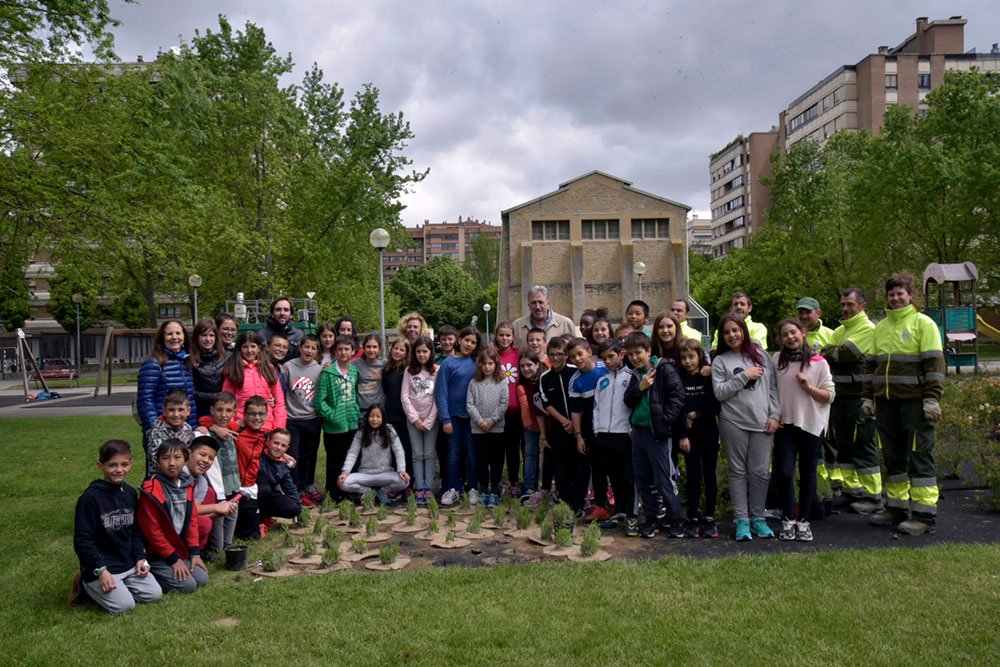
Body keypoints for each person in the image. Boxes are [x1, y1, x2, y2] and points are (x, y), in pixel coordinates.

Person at [865, 273, 945, 535]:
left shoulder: (924, 324)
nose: (896, 298)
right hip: (886, 403)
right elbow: (871, 367)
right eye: (891, 294)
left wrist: (931, 399)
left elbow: (934, 366)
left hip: (915, 404)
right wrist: (868, 397)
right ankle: (896, 508)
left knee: (920, 456)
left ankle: (924, 516)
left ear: (910, 295)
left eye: (900, 293)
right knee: (893, 456)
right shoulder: (880, 327)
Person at [72, 440, 162, 614]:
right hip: (102, 566)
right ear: (100, 466)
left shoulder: (130, 493)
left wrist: (140, 557)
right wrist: (100, 570)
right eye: (112, 465)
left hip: (127, 563)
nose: (119, 470)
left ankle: (121, 585)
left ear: (131, 463)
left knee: (154, 594)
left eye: (124, 464)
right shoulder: (90, 499)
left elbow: (135, 531)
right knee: (124, 606)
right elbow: (83, 540)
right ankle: (84, 582)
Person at [712, 313, 780, 541]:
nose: (732, 335)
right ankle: (742, 520)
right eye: (726, 332)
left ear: (743, 330)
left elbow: (772, 388)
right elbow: (720, 393)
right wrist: (744, 377)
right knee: (738, 472)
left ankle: (758, 518)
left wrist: (775, 415)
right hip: (733, 422)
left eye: (735, 330)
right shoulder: (720, 361)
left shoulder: (761, 355)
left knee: (760, 473)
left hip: (762, 422)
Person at [821, 288, 882, 514]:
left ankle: (873, 496)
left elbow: (844, 354)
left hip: (859, 397)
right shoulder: (840, 330)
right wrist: (832, 351)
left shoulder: (868, 328)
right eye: (843, 305)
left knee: (863, 444)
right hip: (840, 397)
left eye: (850, 304)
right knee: (843, 445)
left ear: (863, 306)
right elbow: (827, 355)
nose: (845, 309)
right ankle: (852, 491)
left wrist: (832, 351)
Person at [773, 319, 835, 542]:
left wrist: (808, 387)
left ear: (803, 332)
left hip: (811, 425)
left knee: (808, 473)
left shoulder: (819, 362)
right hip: (785, 425)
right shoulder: (777, 360)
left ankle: (804, 522)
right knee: (785, 472)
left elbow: (829, 396)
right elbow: (771, 390)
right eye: (785, 335)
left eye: (793, 332)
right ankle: (788, 519)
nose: (790, 337)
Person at [623, 331, 686, 538]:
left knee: (664, 479)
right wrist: (640, 387)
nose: (634, 357)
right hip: (638, 433)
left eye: (638, 353)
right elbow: (628, 400)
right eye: (630, 354)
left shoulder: (663, 368)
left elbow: (678, 395)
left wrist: (664, 421)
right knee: (643, 479)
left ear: (648, 351)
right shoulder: (635, 374)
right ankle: (651, 519)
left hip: (658, 433)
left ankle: (676, 519)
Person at [138, 439, 209, 594]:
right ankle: (153, 574)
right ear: (157, 461)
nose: (171, 463)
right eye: (165, 458)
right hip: (157, 554)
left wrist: (195, 554)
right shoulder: (151, 490)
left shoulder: (187, 485)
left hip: (179, 550)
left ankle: (178, 564)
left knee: (202, 578)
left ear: (186, 460)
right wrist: (173, 560)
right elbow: (152, 532)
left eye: (177, 458)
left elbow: (191, 522)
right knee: (188, 585)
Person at [676, 338, 721, 538]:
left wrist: (695, 414)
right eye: (683, 357)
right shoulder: (679, 379)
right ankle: (693, 516)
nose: (688, 361)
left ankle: (710, 517)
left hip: (709, 432)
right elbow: (678, 407)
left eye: (691, 357)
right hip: (689, 435)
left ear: (700, 356)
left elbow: (715, 403)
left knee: (710, 475)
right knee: (693, 476)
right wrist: (683, 434)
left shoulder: (707, 377)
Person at [592, 339, 638, 536]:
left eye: (611, 356)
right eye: (604, 358)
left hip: (624, 435)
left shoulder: (632, 377)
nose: (608, 361)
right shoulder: (602, 380)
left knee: (628, 477)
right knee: (614, 476)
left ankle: (632, 515)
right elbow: (596, 407)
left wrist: (631, 428)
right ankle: (620, 512)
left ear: (621, 354)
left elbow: (635, 404)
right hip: (604, 435)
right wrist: (597, 430)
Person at [435, 327, 481, 505]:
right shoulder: (448, 363)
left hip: (473, 417)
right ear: (459, 340)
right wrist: (445, 418)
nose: (469, 344)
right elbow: (441, 392)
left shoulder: (477, 363)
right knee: (453, 453)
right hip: (453, 417)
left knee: (472, 453)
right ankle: (453, 488)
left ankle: (473, 488)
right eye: (467, 340)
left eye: (473, 342)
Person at [315, 334, 361, 503]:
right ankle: (334, 493)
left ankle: (350, 490)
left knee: (350, 458)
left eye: (347, 349)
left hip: (351, 423)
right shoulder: (328, 372)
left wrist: (355, 412)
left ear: (353, 351)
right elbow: (320, 401)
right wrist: (332, 416)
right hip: (333, 426)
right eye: (340, 349)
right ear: (335, 351)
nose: (343, 352)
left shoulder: (354, 371)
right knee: (335, 460)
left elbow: (354, 394)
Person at [567, 337, 609, 520]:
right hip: (591, 430)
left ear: (589, 352)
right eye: (573, 357)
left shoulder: (605, 368)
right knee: (597, 468)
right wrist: (578, 436)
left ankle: (621, 507)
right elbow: (576, 411)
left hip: (614, 427)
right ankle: (600, 506)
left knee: (616, 467)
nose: (577, 359)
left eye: (580, 354)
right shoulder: (575, 381)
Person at [197, 392, 242, 551]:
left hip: (233, 486)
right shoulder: (206, 433)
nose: (224, 415)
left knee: (231, 519)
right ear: (212, 410)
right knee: (218, 537)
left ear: (234, 412)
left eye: (228, 411)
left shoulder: (234, 431)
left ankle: (227, 547)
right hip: (217, 490)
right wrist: (210, 426)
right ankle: (216, 549)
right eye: (219, 410)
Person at [282, 334, 323, 505]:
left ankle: (308, 485)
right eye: (306, 347)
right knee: (293, 455)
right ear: (300, 348)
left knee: (309, 455)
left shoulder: (319, 369)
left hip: (312, 419)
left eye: (313, 348)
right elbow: (281, 390)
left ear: (317, 351)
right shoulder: (288, 367)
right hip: (292, 419)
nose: (309, 351)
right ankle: (294, 488)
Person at [338, 405, 410, 502]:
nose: (374, 419)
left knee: (404, 481)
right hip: (365, 474)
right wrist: (345, 472)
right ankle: (368, 492)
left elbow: (399, 451)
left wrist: (402, 470)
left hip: (385, 473)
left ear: (383, 418)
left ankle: (383, 491)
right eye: (371, 416)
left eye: (378, 416)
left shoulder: (389, 430)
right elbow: (352, 453)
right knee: (343, 483)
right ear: (367, 417)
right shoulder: (361, 432)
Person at [136, 319, 197, 433]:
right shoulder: (153, 363)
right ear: (162, 338)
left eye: (178, 333)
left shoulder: (188, 362)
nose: (174, 337)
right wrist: (155, 429)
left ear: (184, 337)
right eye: (169, 334)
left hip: (188, 429)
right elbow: (145, 400)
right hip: (162, 431)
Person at [467, 347, 509, 507]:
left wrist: (491, 421)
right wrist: (480, 421)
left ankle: (495, 491)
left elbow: (503, 404)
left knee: (496, 460)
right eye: (484, 364)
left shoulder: (502, 382)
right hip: (478, 429)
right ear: (479, 365)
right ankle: (484, 489)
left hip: (496, 429)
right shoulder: (473, 383)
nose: (487, 367)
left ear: (496, 364)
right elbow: (470, 404)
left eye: (490, 363)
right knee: (481, 460)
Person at [222, 330, 286, 432]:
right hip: (242, 426)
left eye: (253, 346)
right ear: (239, 349)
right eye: (245, 347)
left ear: (259, 348)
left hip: (266, 425)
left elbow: (280, 402)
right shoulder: (233, 370)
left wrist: (278, 427)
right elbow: (226, 402)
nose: (249, 350)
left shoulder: (268, 368)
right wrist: (232, 425)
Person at [538, 337, 576, 509]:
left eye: (560, 354)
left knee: (579, 467)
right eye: (552, 354)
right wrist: (564, 421)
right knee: (561, 468)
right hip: (559, 428)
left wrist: (575, 422)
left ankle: (579, 501)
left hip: (579, 427)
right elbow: (547, 404)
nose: (556, 358)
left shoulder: (575, 371)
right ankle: (564, 503)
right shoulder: (545, 377)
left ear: (566, 355)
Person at [402, 336, 439, 504]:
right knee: (417, 454)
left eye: (425, 351)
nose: (422, 354)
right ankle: (419, 487)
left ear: (431, 352)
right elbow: (405, 397)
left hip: (432, 420)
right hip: (413, 421)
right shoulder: (409, 371)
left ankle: (428, 487)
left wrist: (429, 420)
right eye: (418, 351)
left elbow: (438, 397)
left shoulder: (436, 371)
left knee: (429, 454)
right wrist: (415, 419)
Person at [185, 435, 235, 553]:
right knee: (204, 523)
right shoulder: (178, 475)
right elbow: (185, 509)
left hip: (185, 519)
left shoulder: (201, 481)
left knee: (210, 493)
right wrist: (216, 507)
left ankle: (198, 549)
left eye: (211, 458)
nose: (206, 460)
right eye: (202, 455)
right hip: (169, 523)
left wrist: (217, 514)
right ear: (189, 453)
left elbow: (195, 512)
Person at [494, 322, 523, 496]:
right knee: (497, 449)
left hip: (515, 412)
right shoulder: (492, 356)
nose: (504, 338)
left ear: (513, 337)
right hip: (497, 413)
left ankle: (514, 482)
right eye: (501, 335)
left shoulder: (518, 355)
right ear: (496, 337)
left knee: (513, 449)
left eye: (508, 335)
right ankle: (496, 482)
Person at [382, 338, 413, 491]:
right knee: (394, 450)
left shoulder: (408, 370)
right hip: (390, 414)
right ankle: (395, 483)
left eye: (402, 350)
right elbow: (386, 391)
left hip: (405, 416)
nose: (398, 352)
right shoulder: (387, 369)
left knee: (406, 449)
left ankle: (408, 483)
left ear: (406, 353)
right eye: (396, 348)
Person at [145, 388, 195, 478]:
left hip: (183, 476)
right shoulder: (157, 432)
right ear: (164, 411)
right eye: (171, 410)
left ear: (188, 411)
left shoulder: (187, 428)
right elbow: (158, 462)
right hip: (161, 479)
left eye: (181, 410)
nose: (176, 414)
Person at [516, 349, 544, 503]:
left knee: (547, 455)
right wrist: (529, 424)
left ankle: (546, 486)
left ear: (537, 365)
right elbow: (525, 408)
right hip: (530, 425)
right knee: (530, 454)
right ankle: (529, 487)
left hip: (547, 425)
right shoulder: (521, 385)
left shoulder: (545, 380)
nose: (526, 369)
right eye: (522, 366)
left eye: (529, 365)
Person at [257, 428, 302, 523]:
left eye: (283, 446)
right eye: (276, 443)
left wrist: (297, 508)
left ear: (287, 448)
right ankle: (257, 518)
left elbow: (290, 489)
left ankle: (265, 515)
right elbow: (259, 436)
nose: (279, 447)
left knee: (292, 508)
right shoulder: (257, 453)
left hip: (267, 496)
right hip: (249, 494)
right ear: (268, 442)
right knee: (264, 489)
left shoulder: (282, 466)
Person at [512, 285, 577, 347]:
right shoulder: (517, 326)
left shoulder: (566, 324)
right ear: (528, 305)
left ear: (548, 303)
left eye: (540, 302)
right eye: (533, 303)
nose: (537, 307)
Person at [190, 319, 226, 419]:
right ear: (197, 337)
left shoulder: (225, 357)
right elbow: (191, 391)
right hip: (200, 412)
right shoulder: (190, 360)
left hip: (224, 412)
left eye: (211, 335)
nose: (208, 339)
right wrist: (217, 397)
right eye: (204, 335)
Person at [256, 296, 304, 361]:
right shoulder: (260, 335)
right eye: (278, 310)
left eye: (286, 310)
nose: (282, 313)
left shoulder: (299, 335)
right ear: (272, 314)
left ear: (291, 315)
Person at [354, 333, 386, 410]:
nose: (371, 350)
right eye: (368, 347)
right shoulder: (354, 364)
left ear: (379, 349)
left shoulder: (385, 364)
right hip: (361, 409)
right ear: (363, 348)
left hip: (379, 409)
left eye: (374, 347)